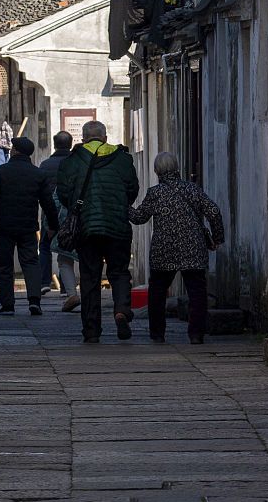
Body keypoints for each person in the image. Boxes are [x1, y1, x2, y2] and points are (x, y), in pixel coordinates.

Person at [128, 151, 224, 344]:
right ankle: (196, 334)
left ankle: (157, 333)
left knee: (158, 291)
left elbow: (139, 218)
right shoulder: (192, 189)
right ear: (177, 168)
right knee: (196, 291)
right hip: (193, 246)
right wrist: (217, 237)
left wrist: (123, 205)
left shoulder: (155, 193)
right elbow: (213, 210)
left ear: (157, 171)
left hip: (164, 248)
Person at [57, 120, 139, 343]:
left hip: (86, 228)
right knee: (119, 272)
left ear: (83, 139)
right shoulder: (122, 159)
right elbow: (133, 190)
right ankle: (121, 309)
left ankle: (91, 330)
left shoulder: (73, 160)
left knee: (90, 277)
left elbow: (63, 192)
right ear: (104, 138)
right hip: (118, 227)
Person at [0, 135, 59, 316]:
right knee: (31, 263)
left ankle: (8, 305)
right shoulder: (38, 174)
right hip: (28, 226)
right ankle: (34, 301)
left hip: (4, 226)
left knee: (4, 266)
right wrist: (53, 225)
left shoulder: (1, 172)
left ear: (15, 151)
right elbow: (48, 203)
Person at [40, 131, 80, 312]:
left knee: (48, 248)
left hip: (53, 214)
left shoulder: (46, 165)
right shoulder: (76, 164)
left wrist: (49, 222)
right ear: (70, 144)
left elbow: (45, 193)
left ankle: (44, 281)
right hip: (80, 216)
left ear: (54, 144)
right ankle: (66, 288)